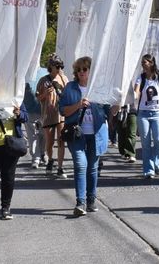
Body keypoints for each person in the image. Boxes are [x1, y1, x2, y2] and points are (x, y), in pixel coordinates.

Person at [59, 56, 109, 216]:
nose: (81, 72)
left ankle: (91, 199)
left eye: (85, 69)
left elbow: (108, 112)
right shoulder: (70, 88)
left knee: (92, 168)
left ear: (91, 71)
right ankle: (80, 202)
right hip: (77, 134)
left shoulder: (99, 88)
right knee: (81, 165)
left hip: (96, 134)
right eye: (78, 69)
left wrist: (118, 104)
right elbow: (62, 110)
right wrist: (78, 105)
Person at [133, 54, 159, 178]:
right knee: (145, 144)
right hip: (143, 114)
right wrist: (134, 95)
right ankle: (148, 170)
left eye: (144, 62)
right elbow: (137, 92)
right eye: (142, 62)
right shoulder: (141, 78)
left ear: (151, 63)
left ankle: (156, 163)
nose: (143, 64)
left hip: (157, 114)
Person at [36, 54, 69, 178]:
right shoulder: (43, 80)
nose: (59, 67)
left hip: (61, 114)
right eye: (56, 65)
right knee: (49, 142)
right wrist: (45, 94)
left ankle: (60, 167)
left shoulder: (64, 79)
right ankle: (50, 160)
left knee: (61, 140)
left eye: (60, 65)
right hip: (48, 114)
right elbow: (38, 97)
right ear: (51, 66)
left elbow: (69, 95)